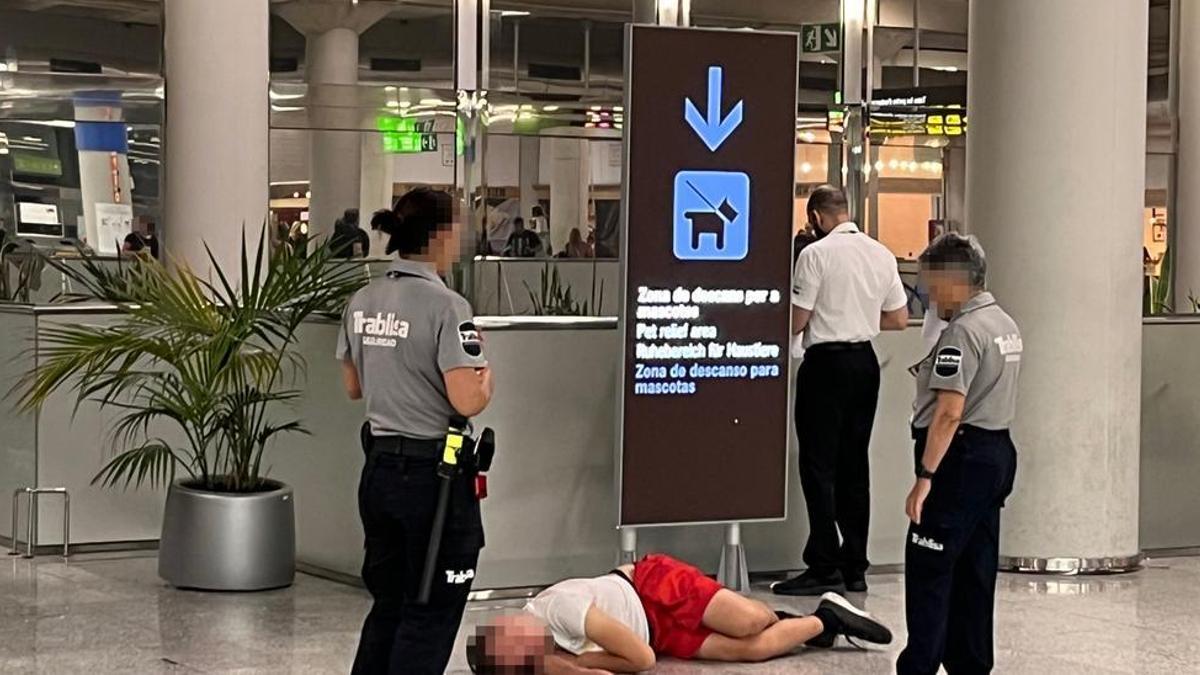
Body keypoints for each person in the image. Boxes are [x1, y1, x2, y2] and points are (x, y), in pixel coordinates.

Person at [337, 187, 495, 675]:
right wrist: (485, 374)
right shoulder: (447, 306)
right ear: (444, 234)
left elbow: (352, 386)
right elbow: (467, 399)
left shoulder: (362, 299)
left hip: (379, 472)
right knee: (431, 608)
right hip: (435, 481)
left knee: (390, 603)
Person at [775, 185, 909, 597]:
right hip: (865, 365)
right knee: (855, 465)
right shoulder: (881, 253)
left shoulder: (814, 255)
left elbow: (797, 320)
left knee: (818, 466)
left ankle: (823, 564)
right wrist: (860, 317)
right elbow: (900, 318)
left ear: (816, 217)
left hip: (826, 366)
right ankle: (855, 566)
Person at [897, 233, 1021, 675]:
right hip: (996, 452)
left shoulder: (963, 332)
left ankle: (920, 664)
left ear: (954, 280)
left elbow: (948, 412)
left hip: (960, 457)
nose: (928, 295)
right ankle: (971, 663)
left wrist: (925, 476)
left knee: (930, 561)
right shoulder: (1004, 322)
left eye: (932, 284)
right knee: (975, 565)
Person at [467, 553, 892, 674]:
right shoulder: (540, 655)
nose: (526, 655)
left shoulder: (558, 609)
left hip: (650, 586)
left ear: (509, 624)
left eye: (517, 648)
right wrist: (557, 666)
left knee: (748, 623)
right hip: (654, 631)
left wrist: (574, 660)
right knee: (749, 653)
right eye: (519, 664)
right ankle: (827, 619)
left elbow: (640, 662)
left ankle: (775, 615)